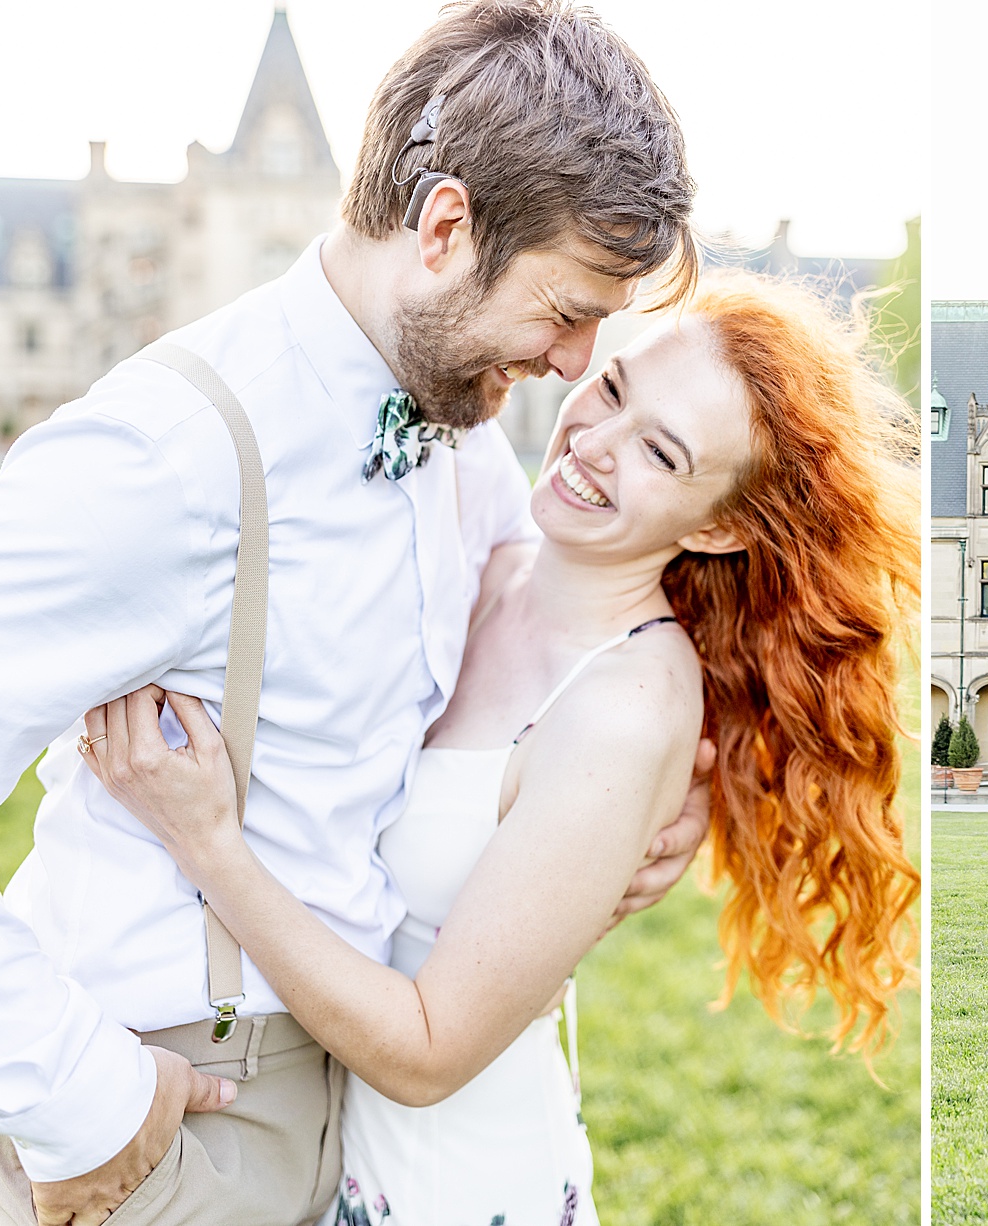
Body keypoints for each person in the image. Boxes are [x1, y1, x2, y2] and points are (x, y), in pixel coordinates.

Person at [0, 0, 707, 1226]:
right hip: (168, 1103)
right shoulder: (168, 455)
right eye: (569, 310)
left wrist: (678, 790)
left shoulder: (465, 444)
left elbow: (559, 653)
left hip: (360, 1117)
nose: (581, 366)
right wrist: (84, 1095)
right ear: (442, 228)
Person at [81, 274, 921, 1224]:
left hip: (455, 1179)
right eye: (613, 390)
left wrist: (210, 849)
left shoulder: (626, 708)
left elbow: (433, 1051)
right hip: (332, 1146)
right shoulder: (489, 548)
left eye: (659, 451)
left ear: (721, 525)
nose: (594, 444)